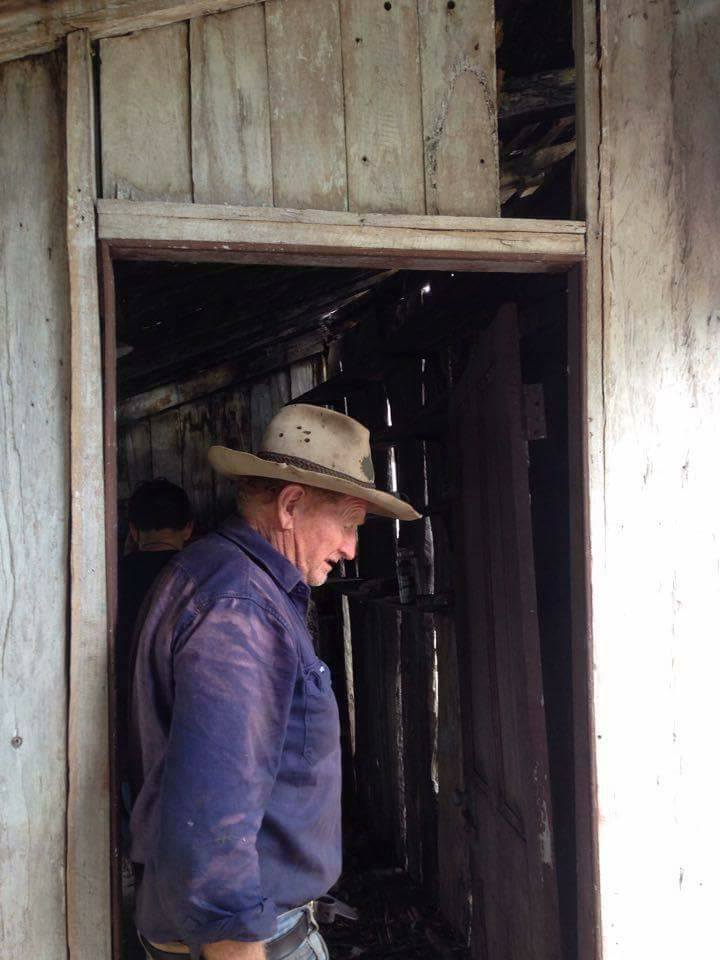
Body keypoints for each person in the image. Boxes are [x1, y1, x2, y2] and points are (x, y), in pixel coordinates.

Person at [128, 403, 420, 960]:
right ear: (290, 505)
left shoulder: (220, 575)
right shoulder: (240, 609)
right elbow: (216, 817)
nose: (352, 548)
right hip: (249, 941)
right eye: (350, 524)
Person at [117, 478, 194, 785]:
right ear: (188, 529)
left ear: (133, 531)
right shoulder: (201, 576)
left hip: (125, 715)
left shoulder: (112, 575)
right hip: (182, 717)